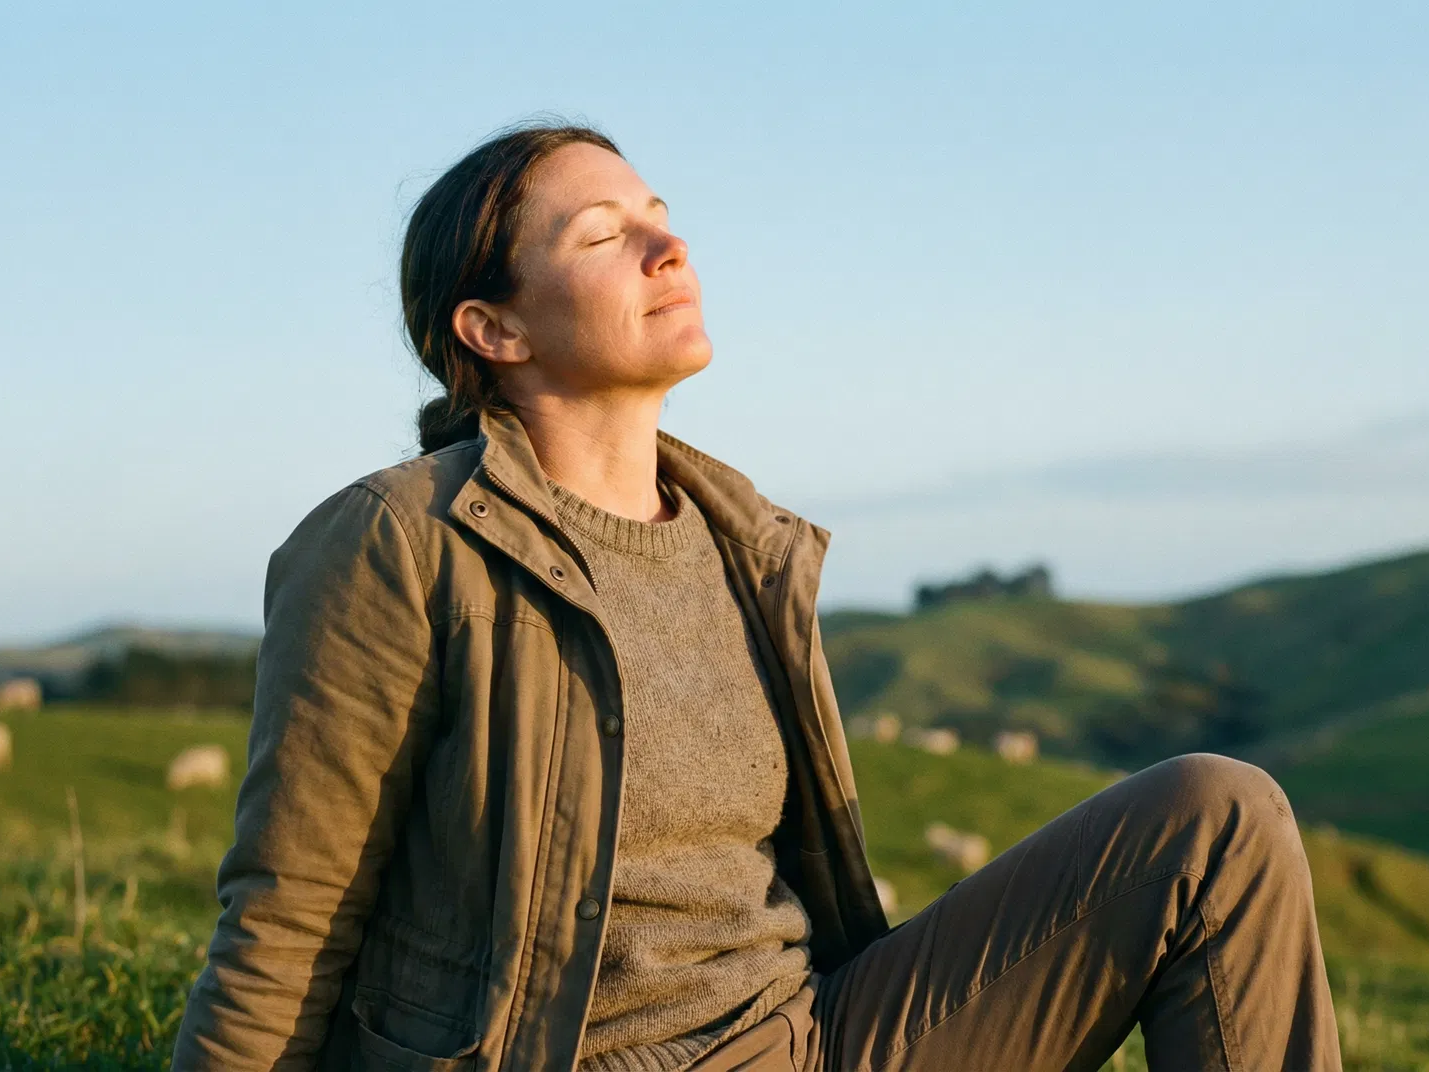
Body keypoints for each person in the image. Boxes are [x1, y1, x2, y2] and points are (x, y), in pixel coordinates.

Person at [171, 122, 1342, 1072]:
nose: (665, 249)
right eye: (603, 234)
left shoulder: (747, 543)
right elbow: (287, 917)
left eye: (661, 222)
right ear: (496, 329)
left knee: (1216, 817)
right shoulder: (400, 541)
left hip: (815, 1039)